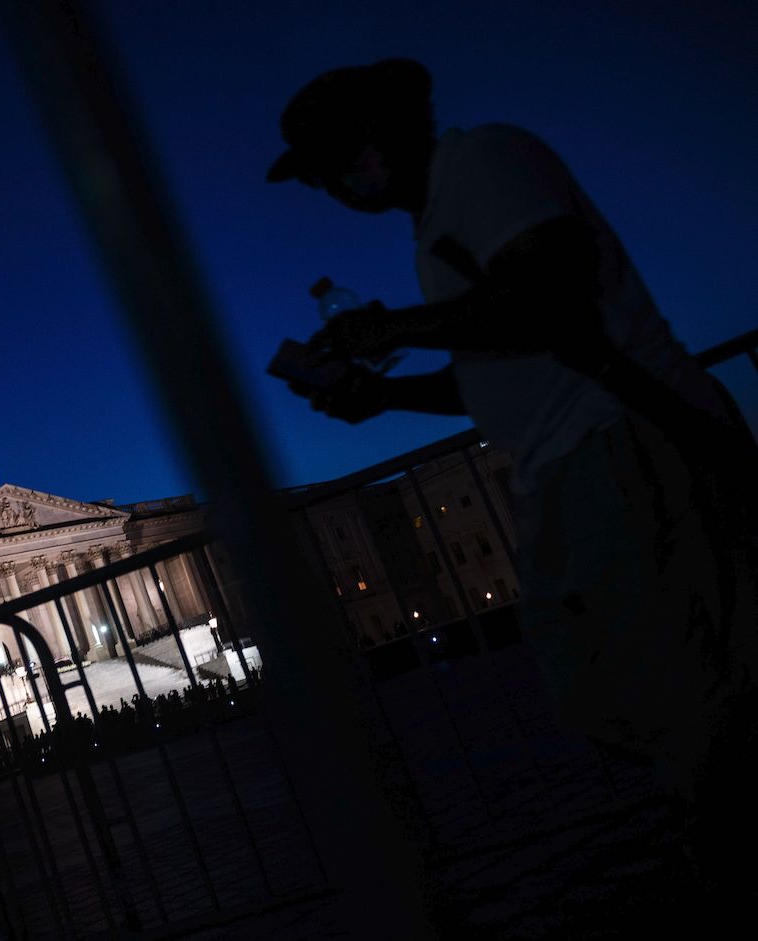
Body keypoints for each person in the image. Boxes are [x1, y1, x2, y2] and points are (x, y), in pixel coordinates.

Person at [267, 57, 756, 897]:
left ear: (368, 152)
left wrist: (396, 326)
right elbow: (497, 366)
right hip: (568, 466)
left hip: (619, 444)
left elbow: (549, 299)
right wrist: (382, 394)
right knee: (605, 690)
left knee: (682, 687)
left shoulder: (486, 162)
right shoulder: (437, 227)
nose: (325, 188)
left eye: (323, 168)